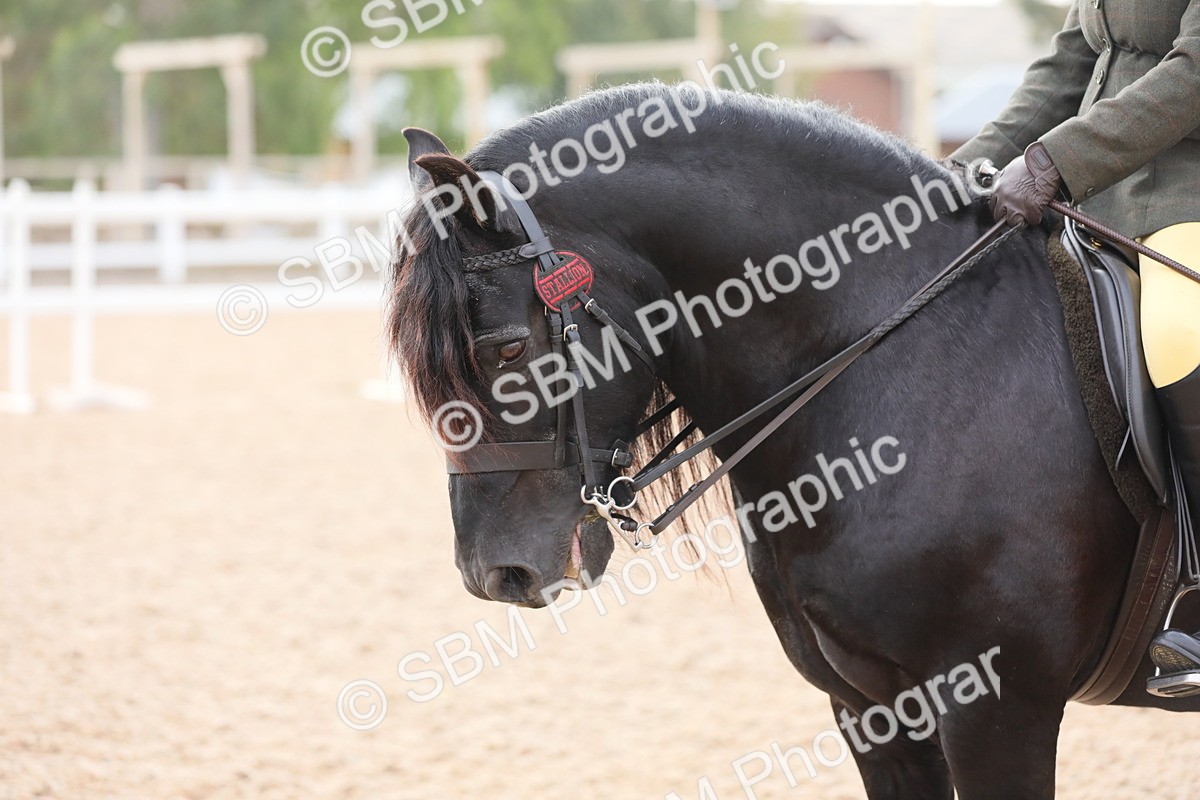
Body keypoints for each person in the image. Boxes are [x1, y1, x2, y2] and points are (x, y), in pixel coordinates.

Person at [950, 1, 1200, 675]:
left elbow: (1194, 73)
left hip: (1188, 199)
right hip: (1095, 201)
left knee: (1180, 329)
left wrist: (1054, 160)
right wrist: (959, 172)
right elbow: (1068, 66)